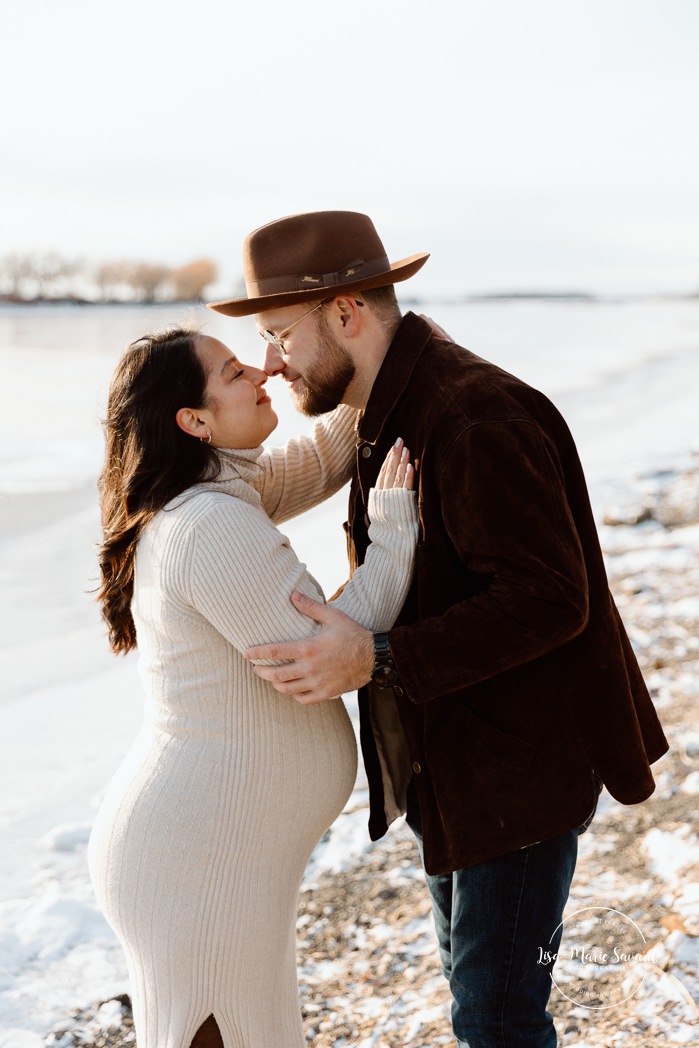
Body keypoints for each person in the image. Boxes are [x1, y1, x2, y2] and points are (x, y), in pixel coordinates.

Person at [207, 210, 669, 1048]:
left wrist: (377, 654)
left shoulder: (472, 413)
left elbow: (546, 598)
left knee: (494, 1020)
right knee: (478, 998)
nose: (269, 363)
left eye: (278, 334)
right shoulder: (396, 404)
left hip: (515, 773)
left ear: (345, 311)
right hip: (453, 769)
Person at [88, 325, 419, 1048]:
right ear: (195, 422)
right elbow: (323, 647)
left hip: (217, 853)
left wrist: (351, 355)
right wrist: (394, 537)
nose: (260, 374)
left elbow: (326, 454)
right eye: (235, 373)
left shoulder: (218, 490)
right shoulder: (206, 523)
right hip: (197, 859)